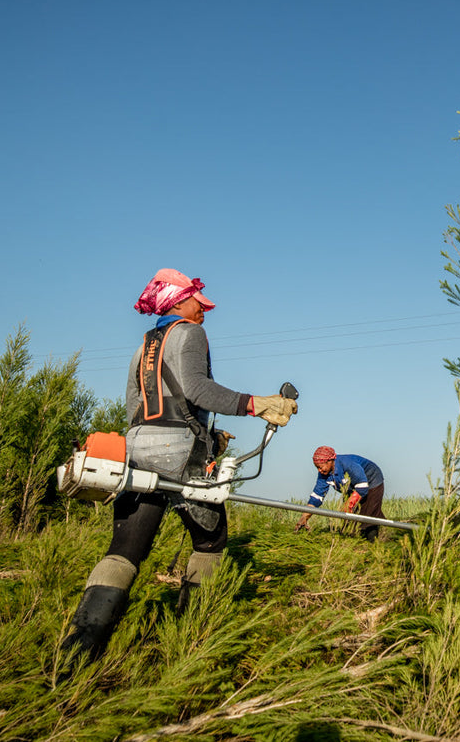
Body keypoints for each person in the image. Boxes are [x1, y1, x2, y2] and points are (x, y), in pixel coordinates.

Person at [61, 268, 298, 662]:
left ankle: (79, 648)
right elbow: (197, 389)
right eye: (198, 302)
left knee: (124, 551)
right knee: (211, 541)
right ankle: (189, 640)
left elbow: (136, 409)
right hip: (181, 455)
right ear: (178, 301)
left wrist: (205, 436)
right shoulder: (191, 333)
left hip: (137, 451)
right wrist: (259, 404)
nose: (204, 310)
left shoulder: (143, 347)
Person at [295, 446, 386, 541]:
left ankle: (372, 543)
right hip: (352, 487)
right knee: (347, 517)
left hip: (371, 481)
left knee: (368, 514)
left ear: (330, 461)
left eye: (320, 467)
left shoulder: (348, 464)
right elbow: (316, 497)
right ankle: (351, 541)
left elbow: (362, 487)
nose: (319, 470)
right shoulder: (323, 474)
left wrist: (349, 504)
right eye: (316, 467)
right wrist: (304, 518)